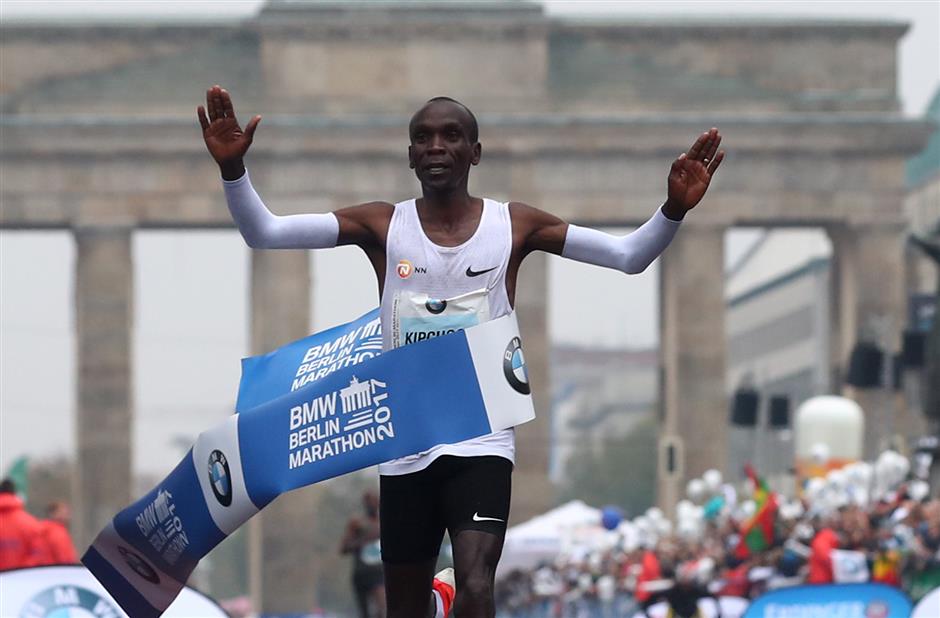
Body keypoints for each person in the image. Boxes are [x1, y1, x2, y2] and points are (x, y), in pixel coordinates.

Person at [198, 85, 724, 617]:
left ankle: (455, 593)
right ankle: (435, 597)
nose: (436, 146)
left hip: (482, 434)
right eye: (422, 138)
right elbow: (263, 231)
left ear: (475, 151)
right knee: (405, 609)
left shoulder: (514, 225)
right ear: (409, 156)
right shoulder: (383, 225)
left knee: (478, 583)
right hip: (405, 438)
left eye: (452, 136)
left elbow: (628, 255)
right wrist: (233, 171)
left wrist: (672, 209)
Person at [340, 490, 386, 618]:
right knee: (364, 613)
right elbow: (343, 548)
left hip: (379, 573)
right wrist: (362, 541)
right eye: (368, 502)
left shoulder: (384, 522)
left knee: (382, 608)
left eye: (373, 501)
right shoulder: (357, 523)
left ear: (378, 503)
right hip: (361, 573)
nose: (371, 505)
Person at [0, 478, 44, 570]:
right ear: (15, 494)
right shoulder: (31, 523)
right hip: (22, 580)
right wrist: (19, 572)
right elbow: (38, 555)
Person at [37, 500, 78, 565]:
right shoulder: (58, 532)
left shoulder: (39, 528)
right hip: (59, 571)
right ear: (53, 513)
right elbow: (65, 558)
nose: (68, 516)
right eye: (64, 512)